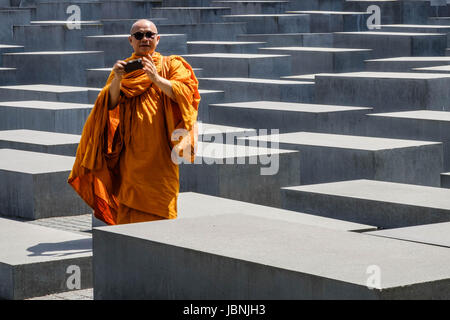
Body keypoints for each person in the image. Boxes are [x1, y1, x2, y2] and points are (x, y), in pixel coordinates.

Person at [68, 19, 201, 225]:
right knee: (129, 205)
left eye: (149, 35)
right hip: (130, 154)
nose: (144, 39)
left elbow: (186, 93)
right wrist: (117, 80)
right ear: (130, 41)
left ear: (158, 39)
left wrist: (156, 78)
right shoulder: (123, 70)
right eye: (139, 35)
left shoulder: (171, 64)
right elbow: (109, 103)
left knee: (162, 203)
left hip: (161, 153)